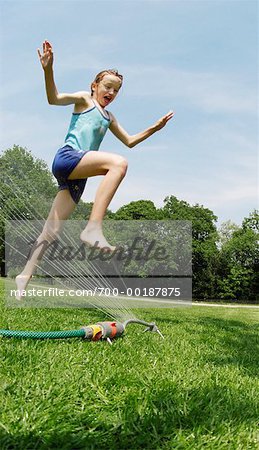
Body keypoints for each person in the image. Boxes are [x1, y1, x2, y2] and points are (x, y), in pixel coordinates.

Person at [15, 40, 174, 299]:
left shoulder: (109, 118)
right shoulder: (84, 100)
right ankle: (92, 229)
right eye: (107, 86)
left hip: (78, 176)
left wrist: (154, 128)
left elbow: (130, 141)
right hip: (68, 158)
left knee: (51, 230)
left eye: (116, 90)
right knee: (118, 163)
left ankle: (25, 275)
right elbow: (53, 99)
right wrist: (48, 70)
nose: (111, 92)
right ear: (95, 86)